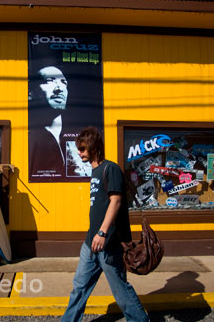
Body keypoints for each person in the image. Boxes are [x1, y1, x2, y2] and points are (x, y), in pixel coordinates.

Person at [61, 126, 150, 322]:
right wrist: (94, 235)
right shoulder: (95, 171)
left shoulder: (111, 169)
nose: (79, 152)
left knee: (121, 291)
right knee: (80, 286)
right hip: (90, 243)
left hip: (108, 244)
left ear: (94, 148)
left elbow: (116, 201)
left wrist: (102, 233)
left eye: (83, 149)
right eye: (79, 149)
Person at [28, 65, 87, 180]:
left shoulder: (77, 135)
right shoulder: (29, 137)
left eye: (64, 82)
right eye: (49, 81)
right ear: (30, 93)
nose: (59, 88)